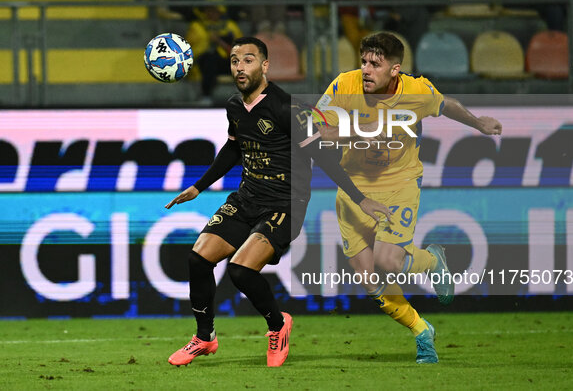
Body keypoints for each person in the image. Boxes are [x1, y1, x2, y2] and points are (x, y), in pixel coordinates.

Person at [166, 36, 392, 368]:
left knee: (241, 271)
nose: (239, 68)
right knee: (198, 259)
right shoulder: (234, 106)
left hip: (285, 203)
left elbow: (323, 157)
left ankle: (278, 325)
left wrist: (360, 199)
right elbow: (233, 148)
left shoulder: (288, 108)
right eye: (234, 61)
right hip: (247, 198)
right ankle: (205, 337)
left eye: (248, 60)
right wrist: (200, 186)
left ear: (265, 65)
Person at [315, 31, 502, 364]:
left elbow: (446, 105)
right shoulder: (344, 85)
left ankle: (431, 261)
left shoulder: (416, 90)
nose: (367, 70)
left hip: (400, 183)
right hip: (353, 191)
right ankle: (422, 332)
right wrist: (361, 131)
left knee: (387, 261)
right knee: (369, 280)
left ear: (395, 70)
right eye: (364, 62)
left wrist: (478, 123)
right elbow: (317, 131)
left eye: (376, 63)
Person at [185, 0, 242, 106]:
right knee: (209, 60)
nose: (210, 13)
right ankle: (206, 95)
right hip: (203, 62)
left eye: (214, 10)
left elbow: (241, 48)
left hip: (225, 60)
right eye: (208, 10)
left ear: (220, 11)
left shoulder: (230, 26)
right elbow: (189, 49)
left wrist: (220, 42)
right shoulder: (196, 26)